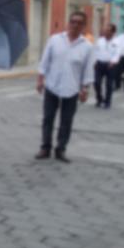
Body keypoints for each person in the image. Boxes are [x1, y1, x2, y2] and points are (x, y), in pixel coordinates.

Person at [35, 11, 95, 163]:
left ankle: (61, 149)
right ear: (68, 22)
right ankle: (45, 147)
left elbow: (88, 70)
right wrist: (40, 79)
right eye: (73, 21)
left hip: (72, 88)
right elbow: (45, 60)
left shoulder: (87, 46)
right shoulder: (55, 40)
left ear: (84, 26)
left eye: (79, 23)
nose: (75, 25)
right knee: (48, 118)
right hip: (52, 86)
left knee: (66, 121)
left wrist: (85, 89)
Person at [93, 24, 119, 109]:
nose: (106, 32)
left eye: (108, 30)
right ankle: (99, 99)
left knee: (109, 84)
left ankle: (108, 102)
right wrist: (95, 60)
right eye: (105, 30)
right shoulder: (100, 40)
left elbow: (117, 53)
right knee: (97, 82)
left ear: (113, 32)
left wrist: (113, 62)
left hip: (110, 65)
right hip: (99, 64)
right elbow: (95, 51)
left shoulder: (117, 42)